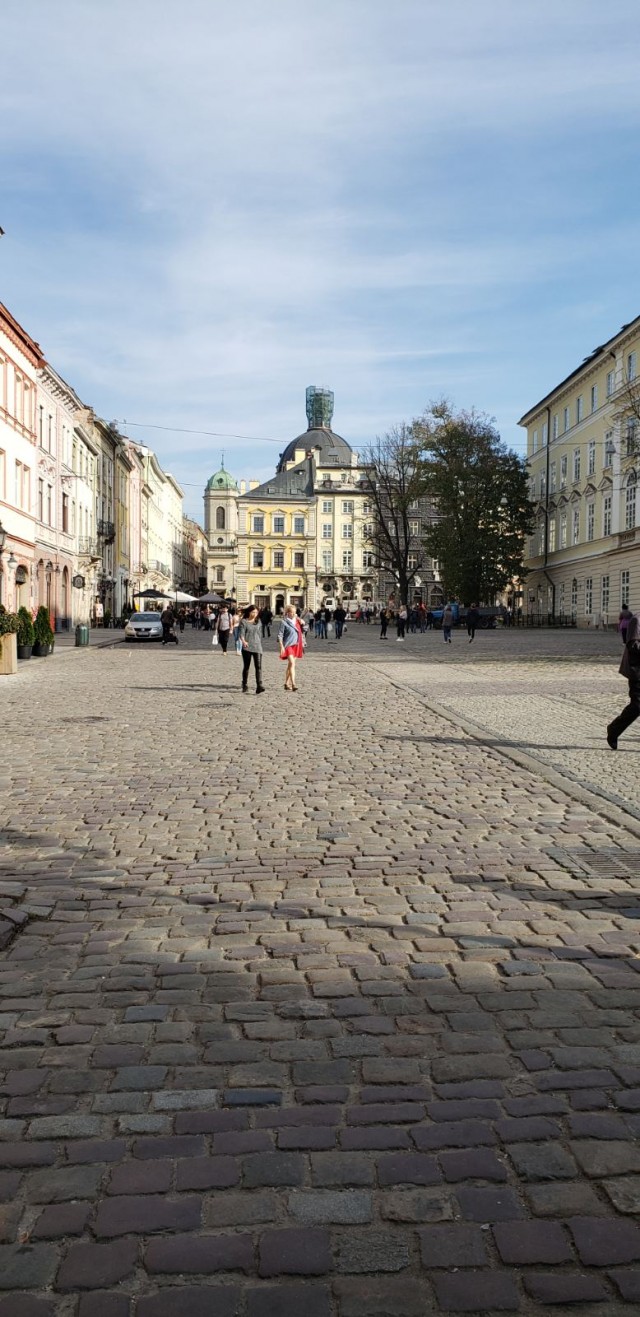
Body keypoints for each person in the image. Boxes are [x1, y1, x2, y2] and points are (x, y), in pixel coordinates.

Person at [607, 611, 640, 749]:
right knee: (637, 706)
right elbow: (633, 645)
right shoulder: (637, 620)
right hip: (637, 670)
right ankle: (614, 729)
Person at [238, 605, 265, 693]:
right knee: (247, 666)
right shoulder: (244, 621)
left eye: (256, 612)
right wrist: (244, 641)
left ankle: (259, 686)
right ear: (249, 612)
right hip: (247, 647)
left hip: (257, 646)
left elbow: (260, 633)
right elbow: (241, 633)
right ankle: (244, 684)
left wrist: (259, 642)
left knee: (259, 666)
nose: (255, 614)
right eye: (253, 612)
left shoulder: (259, 621)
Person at [278, 603, 304, 690]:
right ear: (287, 613)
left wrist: (303, 623)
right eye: (291, 612)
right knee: (292, 663)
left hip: (297, 644)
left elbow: (304, 630)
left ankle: (286, 683)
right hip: (288, 645)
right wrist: (281, 646)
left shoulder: (298, 621)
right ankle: (293, 684)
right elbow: (280, 635)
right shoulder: (284, 622)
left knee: (290, 665)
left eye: (294, 612)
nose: (292, 614)